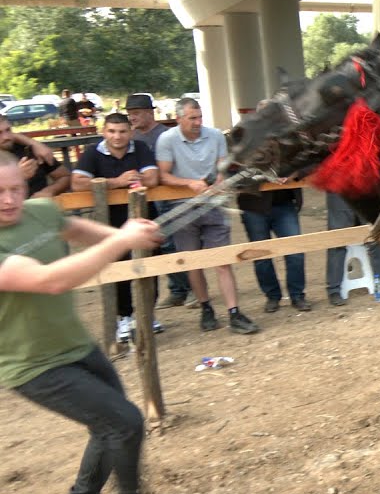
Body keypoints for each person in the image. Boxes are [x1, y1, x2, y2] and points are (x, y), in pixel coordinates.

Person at [0, 151, 186, 494]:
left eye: (16, 188)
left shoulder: (39, 211)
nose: (9, 200)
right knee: (124, 422)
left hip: (76, 346)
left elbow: (74, 230)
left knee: (113, 427)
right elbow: (50, 280)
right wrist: (122, 241)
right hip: (32, 365)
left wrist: (128, 235)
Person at [155, 98, 261, 334]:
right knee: (194, 263)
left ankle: (234, 312)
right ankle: (206, 308)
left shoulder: (214, 136)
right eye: (192, 118)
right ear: (179, 118)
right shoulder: (167, 140)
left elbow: (222, 166)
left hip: (214, 204)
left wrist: (220, 183)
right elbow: (163, 176)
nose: (197, 122)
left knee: (222, 261)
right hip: (181, 206)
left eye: (199, 117)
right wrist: (189, 184)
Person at [71, 113, 162, 343]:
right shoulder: (93, 152)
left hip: (142, 220)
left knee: (149, 268)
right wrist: (117, 182)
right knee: (119, 272)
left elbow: (152, 178)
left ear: (130, 132)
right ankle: (124, 318)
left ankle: (147, 315)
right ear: (104, 132)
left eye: (122, 131)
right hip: (109, 225)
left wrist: (130, 179)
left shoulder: (140, 148)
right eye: (112, 131)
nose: (117, 136)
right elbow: (77, 183)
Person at [124, 93, 190, 308]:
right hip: (145, 198)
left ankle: (187, 289)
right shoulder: (131, 137)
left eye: (136, 113)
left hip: (167, 195)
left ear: (149, 113)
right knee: (158, 244)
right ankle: (177, 290)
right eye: (130, 114)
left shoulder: (165, 135)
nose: (132, 118)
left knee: (173, 243)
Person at [237, 168, 309, 314]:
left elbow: (306, 163)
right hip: (253, 206)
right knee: (260, 256)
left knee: (295, 252)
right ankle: (272, 296)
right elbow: (233, 172)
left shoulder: (288, 145)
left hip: (285, 203)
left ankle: (297, 295)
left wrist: (294, 174)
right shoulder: (244, 145)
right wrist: (264, 176)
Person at [325, 192, 380, 307]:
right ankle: (334, 290)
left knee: (377, 234)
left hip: (364, 187)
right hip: (337, 188)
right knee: (337, 240)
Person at [0, 115, 70, 199]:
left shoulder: (28, 149)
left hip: (39, 208)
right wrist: (17, 176)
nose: (6, 137)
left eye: (8, 130)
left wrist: (49, 191)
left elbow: (65, 177)